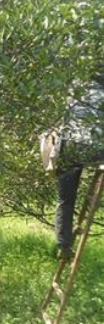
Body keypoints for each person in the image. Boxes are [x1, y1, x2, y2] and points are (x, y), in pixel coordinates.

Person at [55, 70, 104, 260]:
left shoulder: (74, 87)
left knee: (65, 199)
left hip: (70, 148)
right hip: (96, 151)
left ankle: (63, 244)